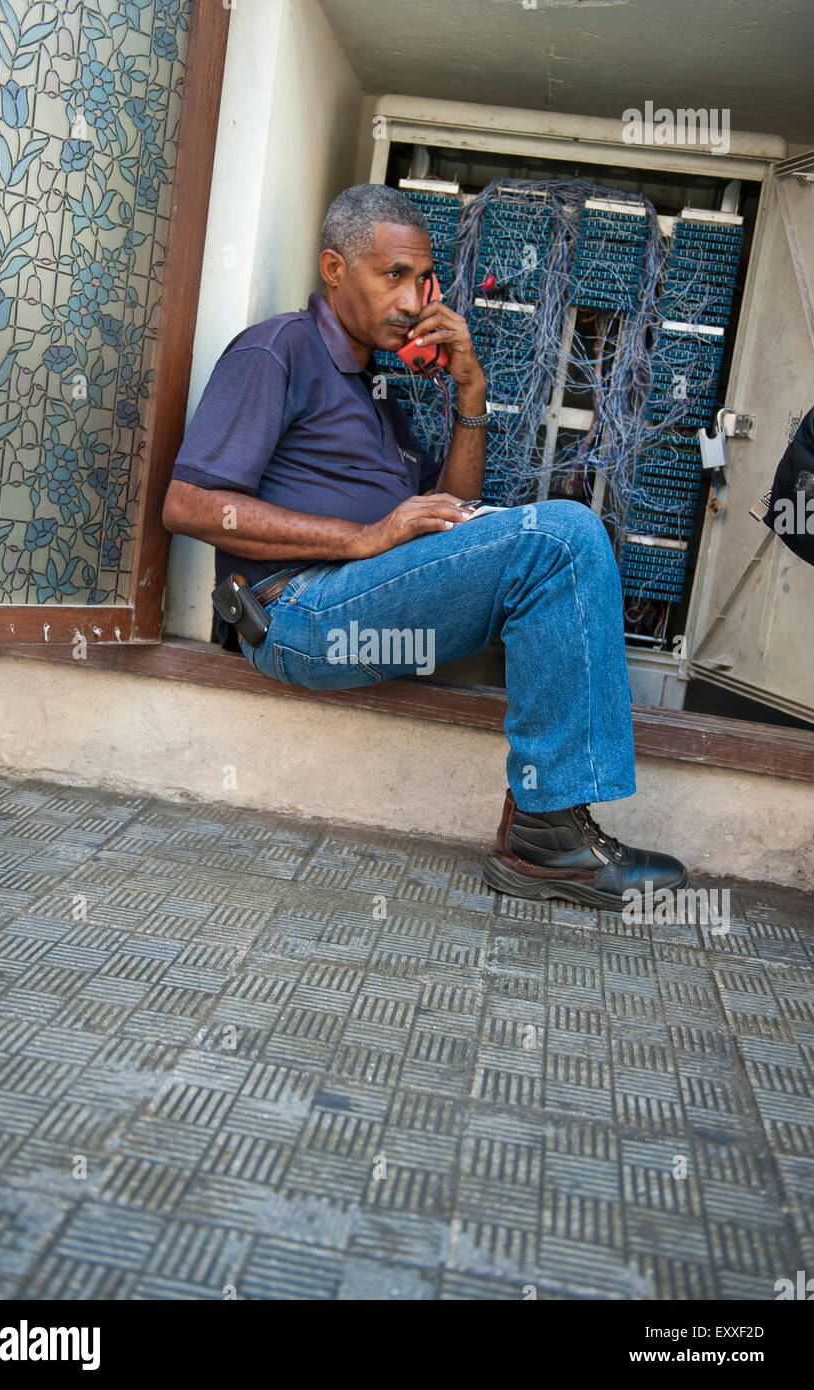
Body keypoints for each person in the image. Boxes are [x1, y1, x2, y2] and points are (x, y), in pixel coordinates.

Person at [162, 183, 687, 909]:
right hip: (295, 615)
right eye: (392, 275)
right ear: (334, 269)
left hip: (368, 609)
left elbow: (452, 507)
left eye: (421, 278)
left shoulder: (377, 391)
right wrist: (363, 535)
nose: (412, 300)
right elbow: (187, 505)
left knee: (560, 538)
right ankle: (547, 835)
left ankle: (546, 826)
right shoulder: (277, 349)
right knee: (563, 534)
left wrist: (469, 390)